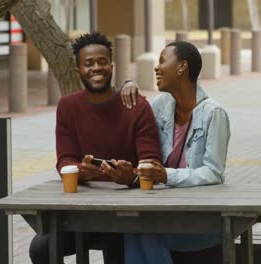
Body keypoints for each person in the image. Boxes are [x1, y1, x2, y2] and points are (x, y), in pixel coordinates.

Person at [29, 32, 162, 264]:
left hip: (129, 214)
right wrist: (82, 170)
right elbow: (65, 161)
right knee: (41, 248)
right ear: (78, 71)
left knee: (118, 245)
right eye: (88, 64)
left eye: (102, 62)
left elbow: (152, 163)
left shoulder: (137, 106)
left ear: (111, 66)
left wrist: (130, 177)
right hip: (84, 213)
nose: (96, 68)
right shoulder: (68, 106)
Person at [121, 41, 231, 264]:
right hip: (162, 212)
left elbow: (213, 173)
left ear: (182, 67)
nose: (156, 67)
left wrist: (166, 176)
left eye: (163, 60)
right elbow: (141, 143)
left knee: (150, 235)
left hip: (203, 221)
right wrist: (128, 85)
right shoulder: (160, 105)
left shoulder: (214, 113)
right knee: (130, 230)